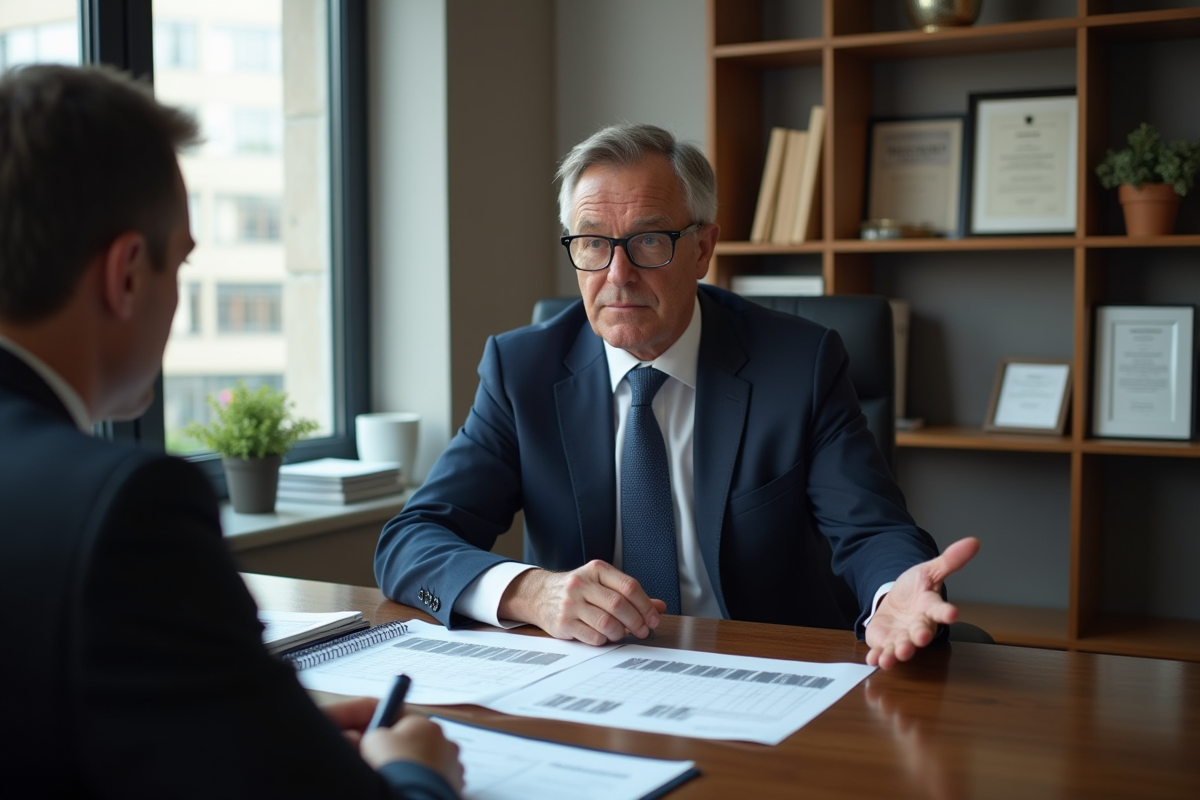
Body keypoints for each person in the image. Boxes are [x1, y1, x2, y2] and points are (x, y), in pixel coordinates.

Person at [0, 64, 462, 799]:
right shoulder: (125, 507)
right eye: (179, 263)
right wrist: (414, 773)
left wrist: (252, 723)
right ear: (125, 274)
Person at [375, 122, 979, 670]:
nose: (617, 275)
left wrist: (891, 594)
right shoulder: (522, 370)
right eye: (592, 242)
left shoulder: (800, 364)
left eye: (648, 241)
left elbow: (870, 530)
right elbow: (412, 539)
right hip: (585, 677)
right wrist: (531, 591)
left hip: (764, 674)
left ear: (702, 249)